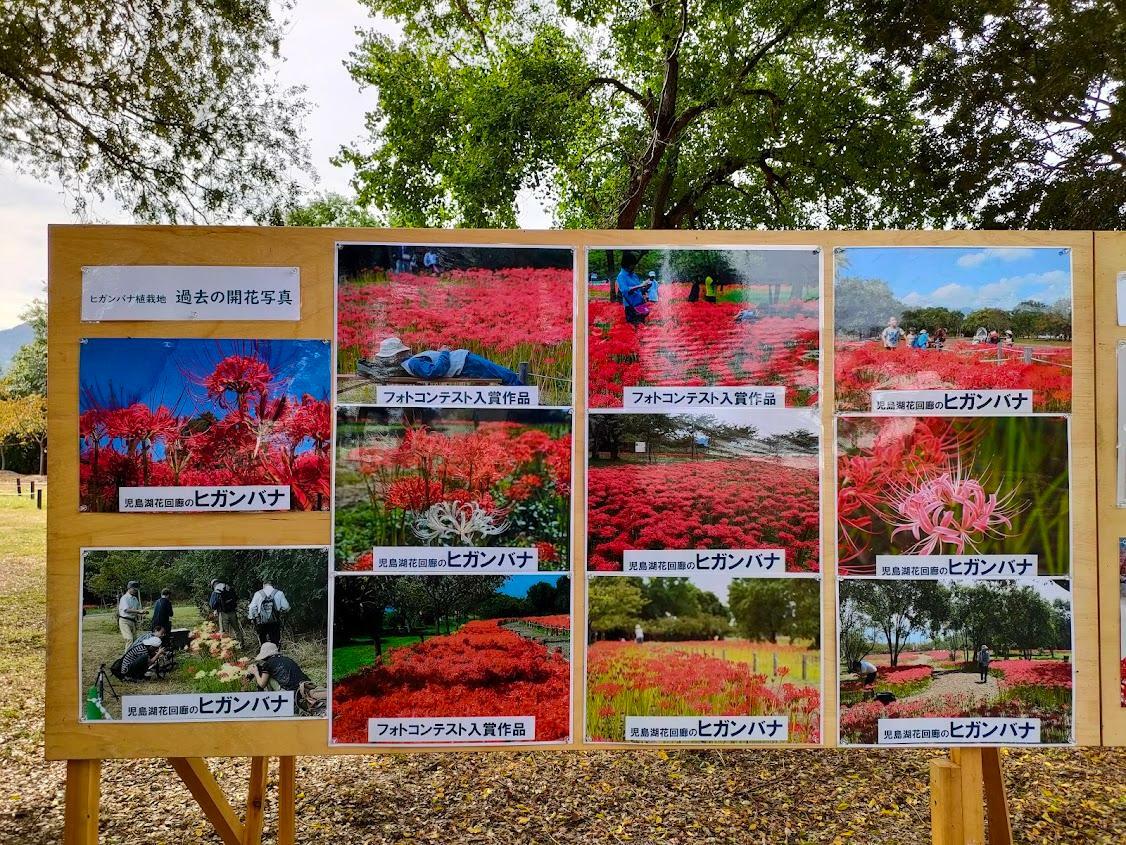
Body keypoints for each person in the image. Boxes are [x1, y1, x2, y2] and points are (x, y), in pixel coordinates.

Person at [367, 337, 524, 386]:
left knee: (505, 376)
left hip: (465, 363)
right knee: (507, 376)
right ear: (399, 353)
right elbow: (436, 371)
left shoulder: (410, 362)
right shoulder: (413, 363)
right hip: (466, 363)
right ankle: (529, 406)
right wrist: (444, 352)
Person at [249, 580, 290, 647]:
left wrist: (252, 618)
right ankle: (276, 653)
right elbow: (286, 607)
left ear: (263, 585)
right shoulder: (279, 593)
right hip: (274, 621)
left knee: (263, 640)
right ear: (272, 585)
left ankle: (265, 654)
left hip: (261, 622)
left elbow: (252, 608)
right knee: (275, 640)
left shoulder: (258, 593)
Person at [616, 253, 650, 326]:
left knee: (643, 325)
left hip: (641, 304)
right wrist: (640, 285)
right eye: (632, 265)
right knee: (634, 328)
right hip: (631, 307)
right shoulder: (621, 276)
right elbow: (625, 290)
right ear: (626, 265)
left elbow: (639, 289)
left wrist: (646, 287)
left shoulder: (634, 275)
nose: (634, 266)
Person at [209, 579, 245, 646]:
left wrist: (216, 608)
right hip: (232, 612)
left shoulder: (216, 591)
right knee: (237, 629)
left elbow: (212, 604)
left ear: (213, 585)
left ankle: (227, 647)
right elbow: (236, 598)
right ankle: (241, 644)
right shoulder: (228, 588)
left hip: (223, 613)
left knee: (224, 631)